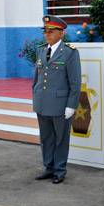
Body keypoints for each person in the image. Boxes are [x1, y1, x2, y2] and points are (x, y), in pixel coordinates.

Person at [32, 15, 81, 184]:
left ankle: (60, 170)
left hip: (60, 105)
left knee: (61, 138)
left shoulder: (70, 53)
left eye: (51, 31)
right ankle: (49, 167)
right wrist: (35, 96)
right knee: (46, 138)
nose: (47, 34)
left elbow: (75, 83)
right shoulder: (40, 50)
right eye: (45, 31)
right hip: (42, 102)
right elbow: (36, 78)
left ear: (62, 33)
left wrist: (71, 105)